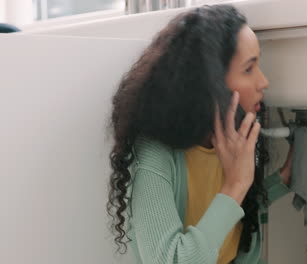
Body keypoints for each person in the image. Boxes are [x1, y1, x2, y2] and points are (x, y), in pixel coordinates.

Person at [106, 4, 293, 264]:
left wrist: (281, 180)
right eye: (249, 69)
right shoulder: (155, 154)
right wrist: (236, 184)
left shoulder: (231, 140)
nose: (264, 82)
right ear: (209, 84)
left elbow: (225, 216)